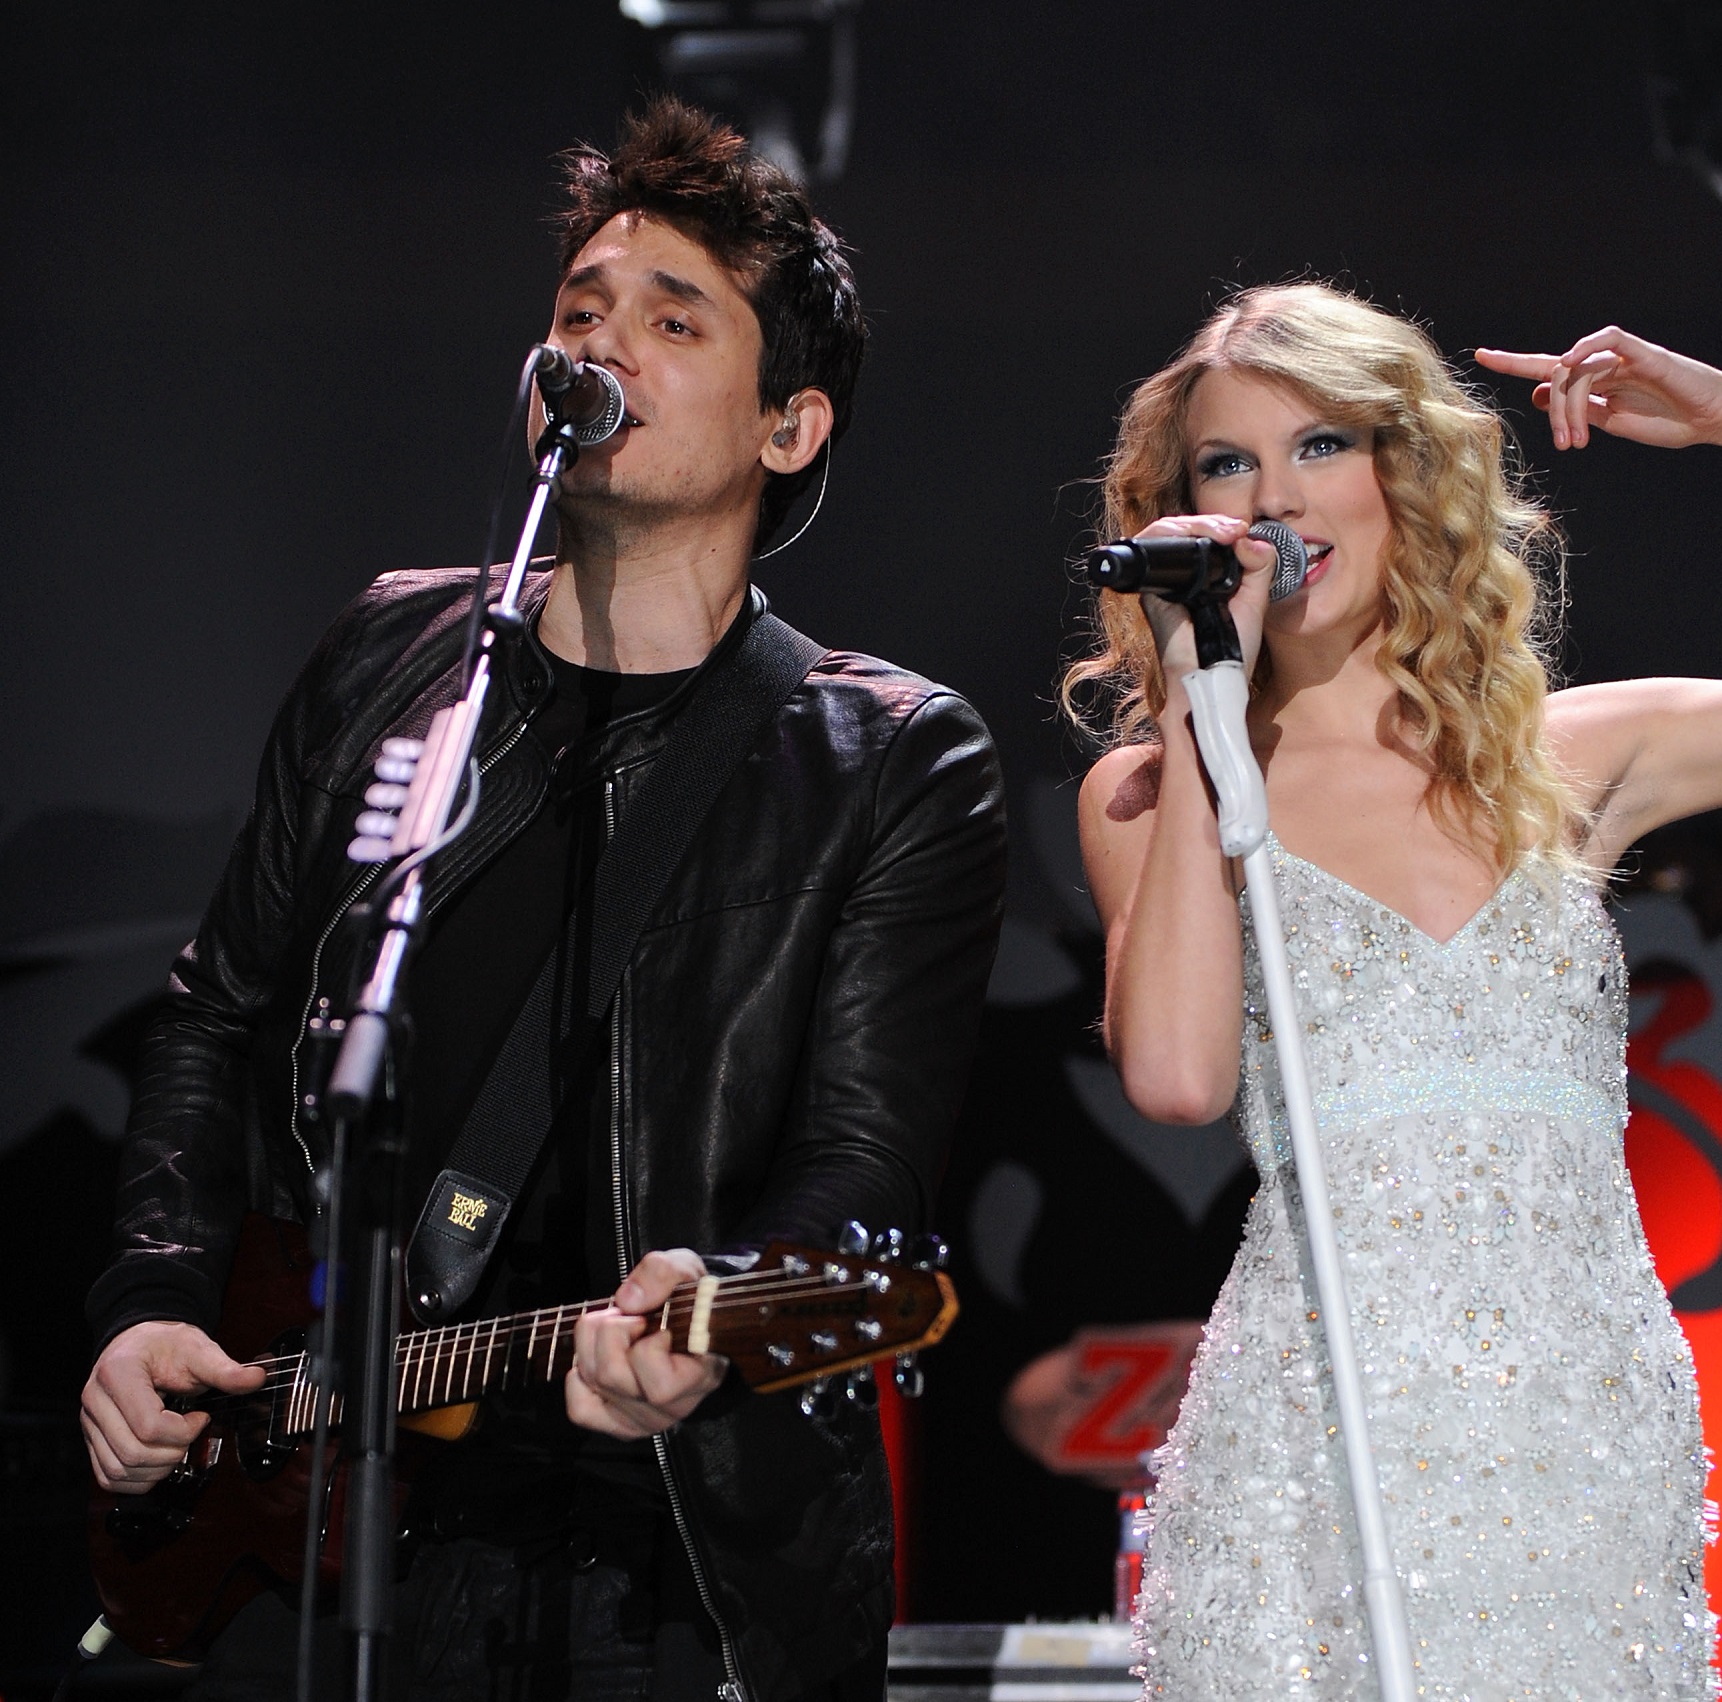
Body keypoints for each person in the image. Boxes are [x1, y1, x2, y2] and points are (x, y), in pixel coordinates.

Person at [79, 96, 1006, 1702]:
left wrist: (709, 1318)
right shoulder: (389, 656)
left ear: (790, 426)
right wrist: (152, 1295)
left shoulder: (891, 756)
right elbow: (219, 1011)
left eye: (671, 319)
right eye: (579, 311)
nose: (601, 344)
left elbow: (863, 1153)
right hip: (307, 1530)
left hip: (651, 1564)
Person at [1068, 284, 1722, 1698]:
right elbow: (1182, 1079)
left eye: (1322, 445)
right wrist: (1209, 707)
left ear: (1403, 474)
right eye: (1227, 463)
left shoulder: (1570, 758)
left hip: (1579, 1448)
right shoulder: (1153, 794)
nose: (1275, 496)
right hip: (1312, 1448)